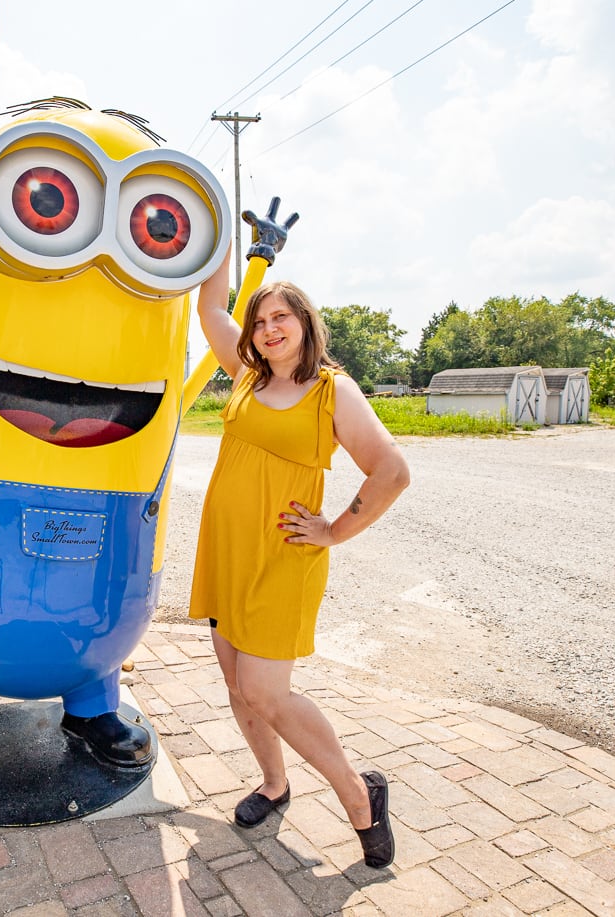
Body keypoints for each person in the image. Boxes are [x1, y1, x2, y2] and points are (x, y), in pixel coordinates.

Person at [189, 238, 411, 870]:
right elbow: (210, 306)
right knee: (238, 685)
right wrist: (217, 234)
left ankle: (358, 792)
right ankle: (273, 782)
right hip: (228, 550)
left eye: (280, 316)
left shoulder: (330, 390)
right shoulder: (245, 373)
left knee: (267, 691)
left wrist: (335, 531)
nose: (267, 328)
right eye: (259, 321)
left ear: (305, 322)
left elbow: (391, 471)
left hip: (283, 558)